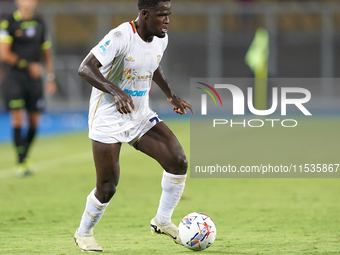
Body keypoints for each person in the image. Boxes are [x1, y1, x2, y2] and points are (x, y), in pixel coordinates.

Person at [74, 0, 193, 252]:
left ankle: (162, 221)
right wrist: (115, 91)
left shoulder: (161, 38)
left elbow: (152, 64)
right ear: (145, 14)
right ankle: (83, 233)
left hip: (139, 115)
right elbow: (85, 67)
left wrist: (170, 94)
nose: (167, 20)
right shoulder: (119, 36)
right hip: (108, 118)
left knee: (178, 161)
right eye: (162, 15)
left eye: (169, 15)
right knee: (108, 187)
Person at [0, 0, 56, 177]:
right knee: (17, 118)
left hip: (35, 79)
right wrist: (27, 65)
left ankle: (24, 155)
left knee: (34, 121)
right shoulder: (8, 23)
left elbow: (46, 52)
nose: (28, 2)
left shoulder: (40, 22)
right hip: (14, 78)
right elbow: (4, 53)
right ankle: (21, 161)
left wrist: (50, 77)